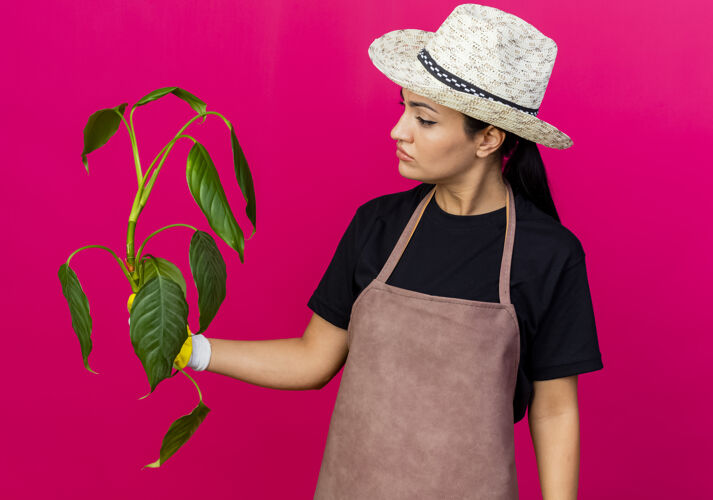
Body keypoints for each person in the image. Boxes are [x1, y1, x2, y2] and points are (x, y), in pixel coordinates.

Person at [180, 4, 603, 499]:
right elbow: (313, 359)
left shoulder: (549, 255)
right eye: (402, 109)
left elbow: (554, 410)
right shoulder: (377, 225)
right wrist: (194, 350)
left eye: (424, 119)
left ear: (488, 138)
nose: (398, 131)